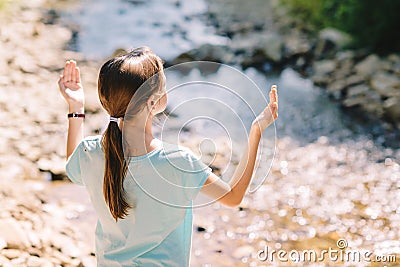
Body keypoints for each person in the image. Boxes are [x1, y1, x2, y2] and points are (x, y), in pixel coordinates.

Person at [58, 46, 278, 266]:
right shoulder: (178, 161)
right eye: (164, 85)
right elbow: (233, 196)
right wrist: (256, 131)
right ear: (153, 102)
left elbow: (73, 165)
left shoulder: (91, 152)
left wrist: (75, 107)